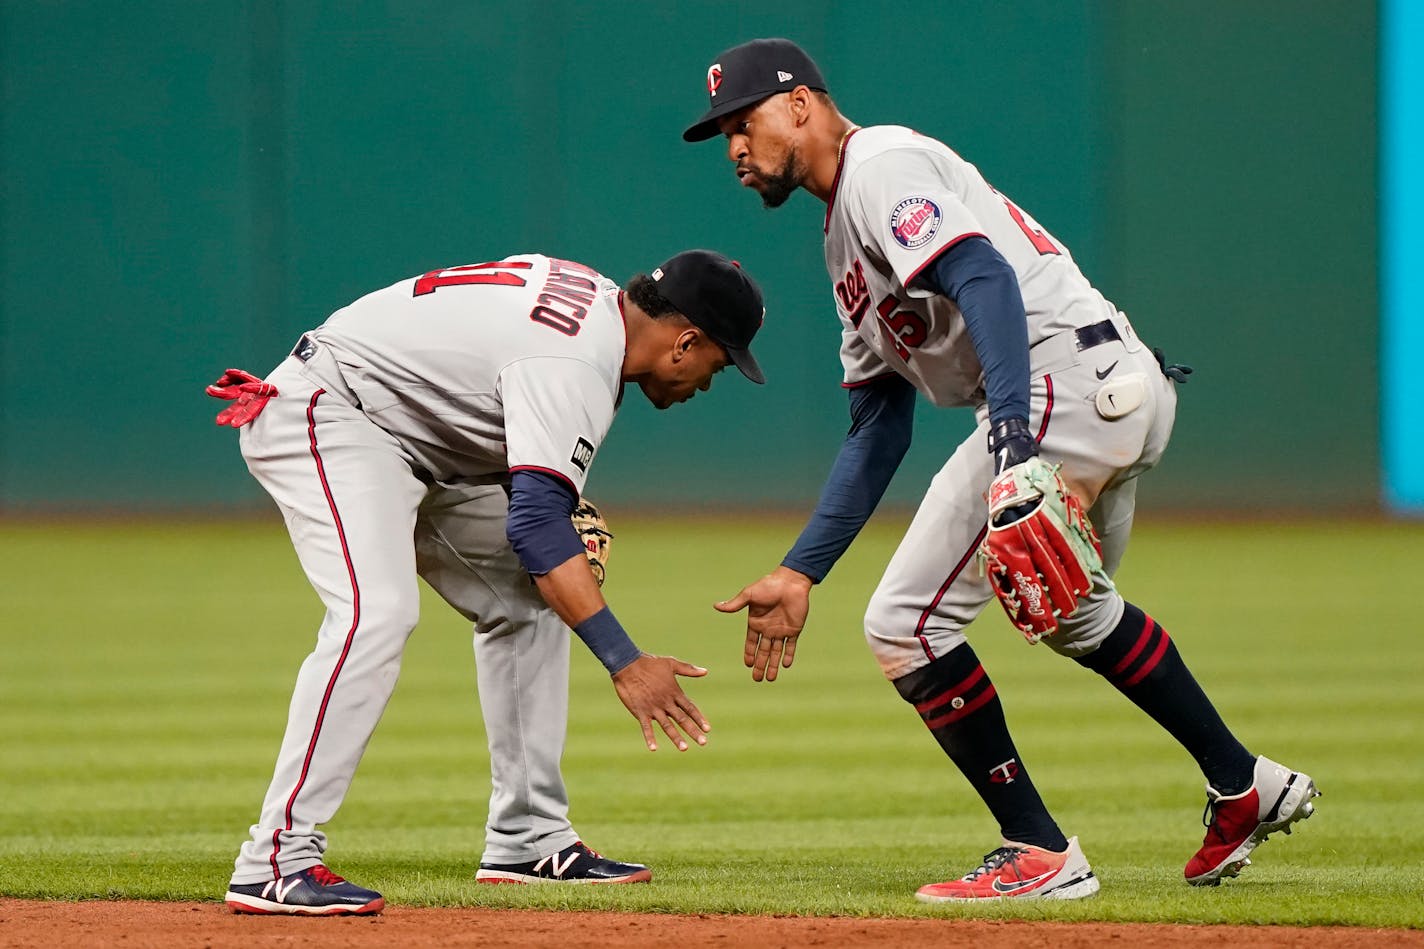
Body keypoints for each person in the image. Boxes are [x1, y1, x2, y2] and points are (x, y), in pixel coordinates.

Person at [684, 39, 1318, 901]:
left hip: (1059, 380)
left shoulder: (879, 165)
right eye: (722, 133)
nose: (734, 148)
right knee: (1073, 611)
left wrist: (1015, 444)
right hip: (1107, 387)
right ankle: (1244, 783)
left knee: (905, 625)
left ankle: (1039, 850)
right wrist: (801, 571)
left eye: (742, 122)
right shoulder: (844, 248)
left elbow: (982, 277)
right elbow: (878, 424)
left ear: (799, 105)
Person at [209, 249, 767, 915]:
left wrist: (550, 524)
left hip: (411, 438)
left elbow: (477, 390)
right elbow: (535, 527)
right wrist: (626, 660)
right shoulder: (575, 364)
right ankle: (276, 856)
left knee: (529, 596)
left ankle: (527, 838)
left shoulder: (594, 308)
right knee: (376, 614)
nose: (711, 379)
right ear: (685, 341)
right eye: (720, 361)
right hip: (332, 412)